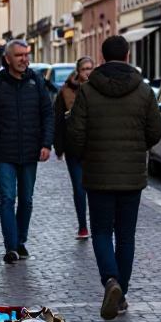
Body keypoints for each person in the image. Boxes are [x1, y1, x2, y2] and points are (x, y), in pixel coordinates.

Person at [66, 35, 161, 320]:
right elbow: (155, 131)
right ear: (128, 55)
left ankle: (110, 280)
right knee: (125, 235)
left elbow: (75, 132)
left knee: (100, 231)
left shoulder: (87, 90)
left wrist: (88, 154)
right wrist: (136, 147)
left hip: (97, 173)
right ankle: (121, 295)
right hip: (132, 175)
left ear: (103, 57)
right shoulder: (143, 90)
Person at [0, 39, 54, 263]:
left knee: (27, 200)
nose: (24, 59)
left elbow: (48, 115)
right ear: (8, 58)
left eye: (26, 55)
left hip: (30, 151)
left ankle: (20, 240)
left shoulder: (37, 81)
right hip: (4, 152)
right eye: (19, 55)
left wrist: (46, 144)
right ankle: (10, 246)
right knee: (7, 198)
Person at [54, 56, 94, 239]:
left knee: (96, 188)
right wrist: (58, 147)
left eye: (90, 68)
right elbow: (58, 121)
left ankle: (97, 223)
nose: (88, 72)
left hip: (94, 146)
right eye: (85, 68)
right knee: (79, 188)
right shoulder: (65, 92)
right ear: (78, 71)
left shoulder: (98, 89)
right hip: (73, 147)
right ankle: (82, 225)